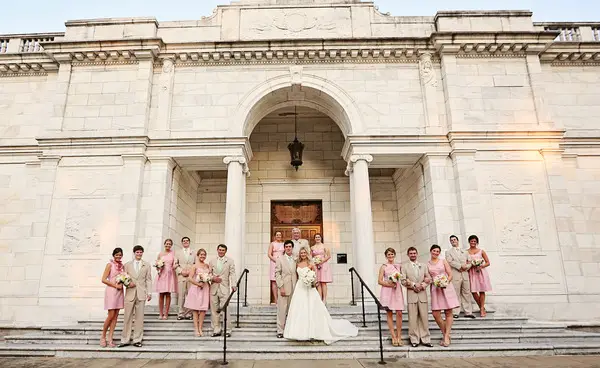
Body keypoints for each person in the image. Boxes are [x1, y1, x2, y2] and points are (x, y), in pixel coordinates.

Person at [283, 245, 358, 344]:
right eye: (301, 253)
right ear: (299, 255)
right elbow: (296, 276)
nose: (303, 254)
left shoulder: (311, 263)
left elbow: (315, 276)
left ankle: (314, 331)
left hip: (310, 288)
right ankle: (299, 332)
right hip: (300, 287)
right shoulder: (297, 264)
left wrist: (312, 281)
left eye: (304, 253)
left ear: (307, 254)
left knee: (311, 308)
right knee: (300, 308)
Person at [118, 245, 152, 348]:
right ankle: (125, 339)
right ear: (134, 253)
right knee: (127, 317)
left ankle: (137, 339)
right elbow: (123, 278)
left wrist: (149, 293)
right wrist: (128, 284)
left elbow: (148, 280)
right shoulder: (127, 265)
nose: (139, 254)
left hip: (141, 294)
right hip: (130, 293)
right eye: (137, 252)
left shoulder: (146, 265)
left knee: (139, 318)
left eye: (141, 252)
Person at [401, 247, 433, 348]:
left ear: (417, 254)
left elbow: (429, 278)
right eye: (411, 253)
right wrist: (414, 285)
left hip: (422, 294)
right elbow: (403, 280)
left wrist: (423, 285)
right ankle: (414, 339)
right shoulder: (405, 266)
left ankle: (426, 339)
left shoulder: (423, 266)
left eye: (414, 253)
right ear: (408, 255)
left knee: (424, 318)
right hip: (412, 295)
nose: (413, 255)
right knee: (412, 319)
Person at [428, 244, 459, 347]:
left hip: (446, 287)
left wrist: (445, 282)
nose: (436, 253)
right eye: (434, 251)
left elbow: (450, 274)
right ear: (431, 251)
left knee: (448, 311)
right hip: (435, 289)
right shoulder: (427, 264)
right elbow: (427, 278)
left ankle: (446, 336)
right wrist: (435, 282)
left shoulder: (443, 261)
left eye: (437, 251)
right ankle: (445, 332)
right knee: (435, 313)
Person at [378, 247, 404, 347]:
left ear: (394, 255)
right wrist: (389, 284)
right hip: (387, 290)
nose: (390, 256)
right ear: (386, 256)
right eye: (388, 254)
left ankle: (399, 336)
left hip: (397, 290)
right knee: (389, 313)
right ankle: (393, 336)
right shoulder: (383, 267)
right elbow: (379, 281)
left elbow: (403, 277)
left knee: (399, 312)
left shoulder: (398, 266)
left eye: (392, 254)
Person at [209, 244, 237, 337]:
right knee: (214, 310)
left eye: (223, 250)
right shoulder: (212, 261)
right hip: (213, 287)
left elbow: (232, 274)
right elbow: (209, 273)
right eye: (220, 250)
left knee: (225, 309)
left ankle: (227, 329)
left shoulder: (230, 261)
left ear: (225, 251)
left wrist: (234, 284)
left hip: (224, 288)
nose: (221, 251)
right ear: (217, 250)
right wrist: (212, 278)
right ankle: (216, 329)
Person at [445, 235, 475, 319]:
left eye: (454, 239)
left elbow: (470, 261)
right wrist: (460, 266)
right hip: (455, 274)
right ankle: (455, 312)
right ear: (450, 242)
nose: (453, 241)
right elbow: (450, 261)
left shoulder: (465, 252)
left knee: (466, 293)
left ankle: (468, 312)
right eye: (451, 240)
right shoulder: (448, 252)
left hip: (465, 274)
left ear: (457, 241)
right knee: (456, 293)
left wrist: (467, 267)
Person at [101, 247, 125, 348]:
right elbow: (103, 279)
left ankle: (110, 338)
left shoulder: (122, 266)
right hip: (111, 291)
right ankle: (103, 336)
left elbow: (124, 277)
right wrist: (115, 285)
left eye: (120, 255)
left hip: (119, 292)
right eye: (117, 255)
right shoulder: (109, 265)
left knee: (115, 316)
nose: (118, 256)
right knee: (110, 315)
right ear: (113, 255)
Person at [184, 249, 211, 337]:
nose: (202, 256)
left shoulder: (207, 266)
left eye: (204, 255)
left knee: (203, 309)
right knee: (195, 309)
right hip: (196, 288)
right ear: (198, 255)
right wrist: (198, 284)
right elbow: (190, 278)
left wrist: (207, 279)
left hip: (205, 288)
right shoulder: (194, 266)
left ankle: (200, 328)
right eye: (201, 255)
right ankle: (196, 328)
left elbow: (210, 276)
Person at [274, 240, 297, 338]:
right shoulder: (280, 259)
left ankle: (291, 330)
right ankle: (280, 331)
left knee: (292, 310)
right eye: (286, 246)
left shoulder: (296, 259)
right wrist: (281, 286)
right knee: (282, 310)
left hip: (295, 288)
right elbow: (277, 274)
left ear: (292, 248)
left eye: (290, 246)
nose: (288, 248)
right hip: (284, 287)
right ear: (284, 248)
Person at [467, 235, 492, 317]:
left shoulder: (481, 251)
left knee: (482, 290)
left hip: (480, 272)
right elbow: (465, 262)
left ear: (477, 242)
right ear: (469, 242)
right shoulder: (466, 252)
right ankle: (482, 307)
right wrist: (471, 264)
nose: (473, 242)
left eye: (474, 241)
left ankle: (481, 309)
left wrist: (481, 266)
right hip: (471, 272)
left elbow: (488, 262)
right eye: (471, 241)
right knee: (473, 291)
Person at [155, 238, 178, 320]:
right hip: (162, 274)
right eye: (166, 244)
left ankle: (166, 313)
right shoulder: (160, 254)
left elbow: (175, 263)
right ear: (164, 244)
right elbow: (157, 264)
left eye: (169, 244)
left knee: (168, 294)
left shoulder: (173, 254)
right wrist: (158, 267)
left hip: (170, 274)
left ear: (171, 245)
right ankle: (160, 313)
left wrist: (175, 266)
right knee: (161, 294)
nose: (168, 245)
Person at [175, 236, 196, 320]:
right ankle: (180, 313)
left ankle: (189, 313)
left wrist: (190, 272)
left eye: (187, 241)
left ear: (189, 242)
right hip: (181, 276)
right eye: (184, 241)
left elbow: (195, 264)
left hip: (191, 276)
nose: (185, 242)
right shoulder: (177, 253)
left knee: (190, 295)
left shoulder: (193, 252)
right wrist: (181, 271)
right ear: (182, 243)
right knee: (181, 295)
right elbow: (175, 264)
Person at [310, 234, 332, 303]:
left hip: (323, 265)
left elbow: (328, 256)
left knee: (323, 282)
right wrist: (314, 262)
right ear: (314, 239)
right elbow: (311, 257)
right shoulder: (312, 247)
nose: (317, 238)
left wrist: (321, 261)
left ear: (321, 238)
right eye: (316, 237)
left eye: (318, 237)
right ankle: (319, 299)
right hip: (316, 265)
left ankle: (324, 299)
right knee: (318, 282)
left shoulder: (325, 246)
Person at [268, 231, 285, 304]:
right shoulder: (272, 244)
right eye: (277, 235)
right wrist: (275, 260)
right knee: (274, 280)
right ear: (275, 236)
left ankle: (281, 299)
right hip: (274, 262)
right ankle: (276, 299)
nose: (278, 236)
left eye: (280, 235)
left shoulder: (283, 244)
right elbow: (269, 254)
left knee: (281, 279)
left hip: (282, 262)